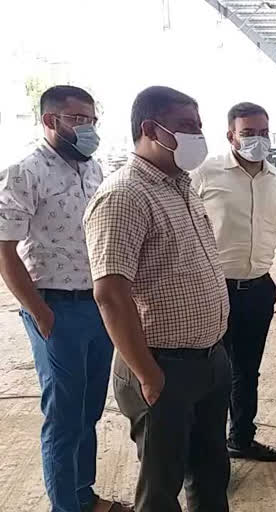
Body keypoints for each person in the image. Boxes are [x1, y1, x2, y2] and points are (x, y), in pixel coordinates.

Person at [84, 86, 231, 512]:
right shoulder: (125, 195)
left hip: (209, 359)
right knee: (161, 485)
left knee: (210, 471)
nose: (198, 137)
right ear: (151, 129)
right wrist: (148, 374)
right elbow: (110, 293)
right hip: (162, 364)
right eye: (187, 127)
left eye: (199, 127)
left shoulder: (181, 187)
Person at [0, 85, 129, 512]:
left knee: (89, 410)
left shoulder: (93, 170)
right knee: (63, 417)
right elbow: (4, 250)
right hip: (56, 307)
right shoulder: (25, 172)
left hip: (98, 306)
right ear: (50, 121)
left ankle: (82, 495)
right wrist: (40, 312)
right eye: (78, 119)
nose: (89, 128)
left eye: (92, 119)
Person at [191, 102, 276, 461]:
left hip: (258, 290)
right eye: (249, 133)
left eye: (263, 132)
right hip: (212, 289)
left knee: (247, 371)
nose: (258, 139)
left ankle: (241, 438)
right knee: (210, 375)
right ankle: (208, 455)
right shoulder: (204, 174)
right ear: (231, 136)